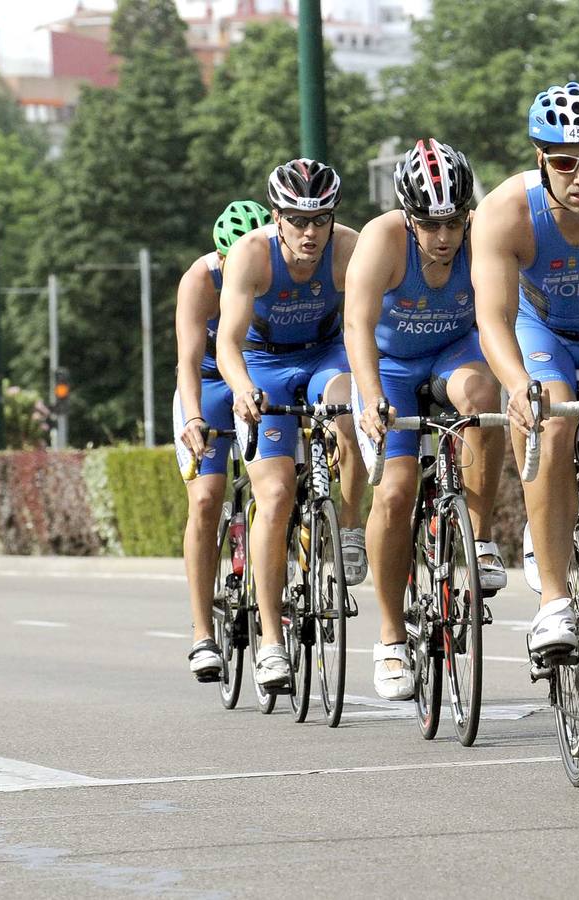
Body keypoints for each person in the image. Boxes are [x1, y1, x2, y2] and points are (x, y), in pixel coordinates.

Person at [344, 139, 507, 700]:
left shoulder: (480, 234)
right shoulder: (382, 240)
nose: (443, 239)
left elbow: (496, 313)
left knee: (485, 396)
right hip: (389, 366)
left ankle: (480, 538)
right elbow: (357, 327)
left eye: (454, 223)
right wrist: (368, 398)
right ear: (408, 218)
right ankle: (389, 638)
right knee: (396, 492)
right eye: (429, 225)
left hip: (451, 353)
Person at [473, 82, 579, 656]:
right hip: (546, 335)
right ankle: (554, 603)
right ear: (541, 160)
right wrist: (517, 385)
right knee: (549, 416)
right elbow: (492, 319)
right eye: (563, 162)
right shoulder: (508, 211)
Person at [216, 159, 366, 691]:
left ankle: (347, 531)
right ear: (276, 216)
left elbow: (367, 320)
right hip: (264, 364)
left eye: (320, 220)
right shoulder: (251, 255)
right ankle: (271, 643)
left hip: (325, 354)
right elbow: (227, 343)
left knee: (350, 412)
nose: (309, 233)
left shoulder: (348, 249)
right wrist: (241, 389)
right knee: (276, 495)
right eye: (298, 220)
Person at [175, 199, 269, 680]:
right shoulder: (199, 280)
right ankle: (200, 633)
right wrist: (192, 417)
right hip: (211, 387)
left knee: (279, 484)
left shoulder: (277, 267)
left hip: (259, 381)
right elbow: (188, 362)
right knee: (208, 498)